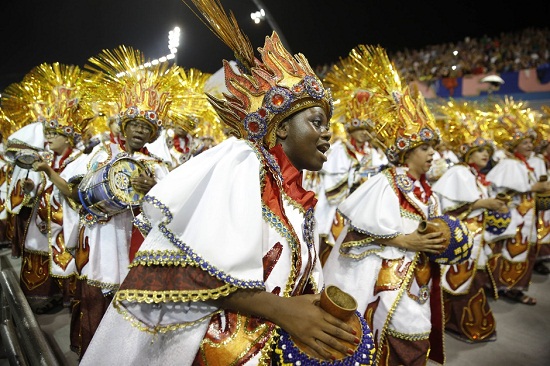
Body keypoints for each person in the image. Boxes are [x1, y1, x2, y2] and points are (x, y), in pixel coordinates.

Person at [80, 1, 375, 365]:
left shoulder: (294, 194)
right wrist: (282, 311)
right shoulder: (239, 163)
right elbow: (168, 270)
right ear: (280, 126)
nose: (327, 135)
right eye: (316, 121)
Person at [322, 45, 470, 366]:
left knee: (417, 335)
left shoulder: (427, 192)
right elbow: (356, 236)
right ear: (407, 153)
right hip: (384, 282)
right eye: (425, 148)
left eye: (434, 147)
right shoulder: (385, 183)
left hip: (417, 280)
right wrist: (406, 241)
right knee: (394, 339)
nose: (433, 154)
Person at [64, 45, 196, 358]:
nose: (139, 131)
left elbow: (173, 208)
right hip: (105, 238)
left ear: (152, 135)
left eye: (146, 128)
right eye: (134, 125)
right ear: (124, 128)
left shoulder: (159, 167)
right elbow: (75, 190)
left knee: (133, 302)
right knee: (99, 293)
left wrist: (154, 188)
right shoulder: (103, 154)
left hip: (140, 245)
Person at [2, 62, 92, 314]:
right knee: (38, 253)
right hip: (42, 221)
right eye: (48, 134)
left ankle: (64, 299)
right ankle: (43, 298)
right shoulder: (48, 158)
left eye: (54, 134)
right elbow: (41, 188)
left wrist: (48, 174)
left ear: (68, 137)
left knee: (64, 258)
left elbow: (75, 194)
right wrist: (31, 189)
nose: (48, 138)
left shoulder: (81, 160)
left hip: (65, 222)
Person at [431, 99, 507, 343]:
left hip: (475, 238)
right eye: (481, 150)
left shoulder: (474, 176)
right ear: (469, 152)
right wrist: (485, 204)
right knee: (459, 282)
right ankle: (458, 324)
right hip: (461, 238)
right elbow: (450, 207)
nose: (486, 154)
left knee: (470, 282)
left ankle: (458, 323)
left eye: (488, 151)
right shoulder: (458, 173)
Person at [485, 97, 550, 305]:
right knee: (512, 252)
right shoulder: (510, 164)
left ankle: (512, 286)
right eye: (525, 142)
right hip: (515, 216)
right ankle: (508, 287)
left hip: (527, 216)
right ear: (515, 146)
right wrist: (533, 188)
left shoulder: (528, 164)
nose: (530, 145)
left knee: (523, 251)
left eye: (531, 142)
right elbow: (501, 188)